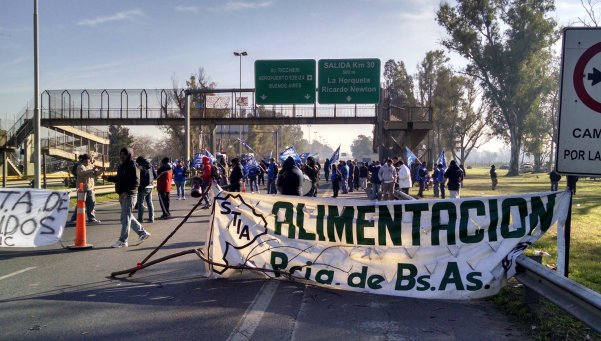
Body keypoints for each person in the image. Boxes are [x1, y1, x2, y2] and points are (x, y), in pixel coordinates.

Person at [103, 147, 151, 248]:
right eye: (120, 154)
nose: (121, 156)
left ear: (128, 155)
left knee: (125, 218)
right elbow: (119, 179)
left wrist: (127, 192)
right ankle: (143, 233)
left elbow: (136, 182)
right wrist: (108, 178)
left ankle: (123, 240)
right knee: (127, 217)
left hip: (129, 195)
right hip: (122, 194)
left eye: (124, 154)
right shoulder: (121, 166)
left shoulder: (133, 166)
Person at [69, 154, 103, 223]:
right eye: (87, 160)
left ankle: (91, 219)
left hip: (90, 188)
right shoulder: (80, 167)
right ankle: (74, 218)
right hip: (82, 189)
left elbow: (96, 173)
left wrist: (101, 170)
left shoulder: (91, 166)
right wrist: (91, 170)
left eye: (89, 160)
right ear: (84, 160)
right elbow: (82, 173)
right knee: (80, 204)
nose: (88, 161)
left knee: (91, 203)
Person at [136, 156, 157, 223]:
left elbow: (137, 177)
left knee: (140, 203)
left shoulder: (140, 167)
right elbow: (156, 175)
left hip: (143, 187)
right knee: (149, 202)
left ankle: (140, 218)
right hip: (150, 186)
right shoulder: (151, 166)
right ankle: (151, 218)